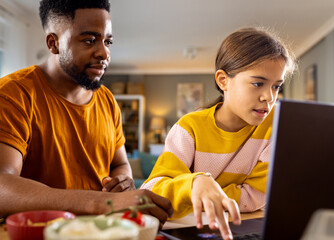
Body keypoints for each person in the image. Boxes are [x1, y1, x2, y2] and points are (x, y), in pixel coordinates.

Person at [0, 0, 173, 227]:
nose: (104, 52)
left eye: (108, 41)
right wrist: (103, 203)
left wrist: (123, 182)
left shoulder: (107, 100)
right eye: (89, 40)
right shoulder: (13, 94)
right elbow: (2, 185)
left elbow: (120, 163)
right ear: (54, 43)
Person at [141, 27, 296, 239]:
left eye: (276, 86)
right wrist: (196, 183)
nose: (268, 97)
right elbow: (153, 191)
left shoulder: (274, 126)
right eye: (258, 83)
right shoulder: (189, 127)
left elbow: (256, 197)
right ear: (223, 81)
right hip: (190, 231)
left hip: (242, 228)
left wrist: (197, 195)